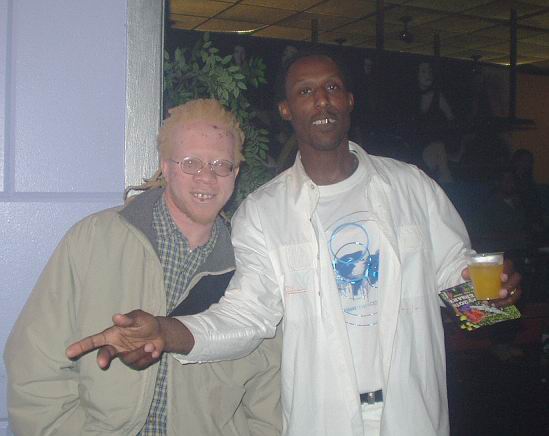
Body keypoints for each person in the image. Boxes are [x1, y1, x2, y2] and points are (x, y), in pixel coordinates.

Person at [66, 50, 522, 436]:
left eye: (331, 87)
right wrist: (166, 332)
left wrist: (496, 300)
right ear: (287, 109)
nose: (321, 99)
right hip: (321, 419)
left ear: (349, 100)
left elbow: (458, 283)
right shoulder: (264, 212)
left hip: (414, 413)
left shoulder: (412, 188)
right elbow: (247, 317)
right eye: (305, 91)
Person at [4, 99, 282, 436]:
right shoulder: (94, 240)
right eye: (191, 163)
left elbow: (268, 393)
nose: (206, 177)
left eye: (221, 165)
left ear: (235, 174)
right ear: (166, 167)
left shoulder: (251, 266)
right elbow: (34, 364)